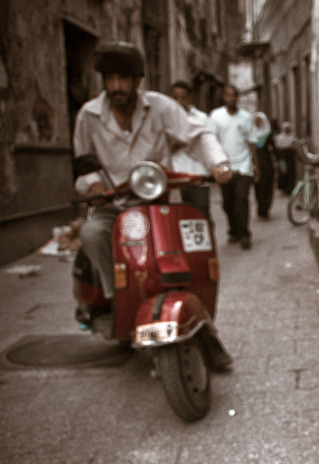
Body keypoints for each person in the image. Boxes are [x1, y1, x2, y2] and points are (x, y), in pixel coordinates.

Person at [73, 41, 233, 302]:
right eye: (110, 79)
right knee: (91, 234)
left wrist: (218, 164)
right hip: (115, 206)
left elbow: (197, 135)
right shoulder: (88, 116)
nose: (115, 87)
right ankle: (115, 295)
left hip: (161, 204)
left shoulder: (161, 107)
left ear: (137, 80)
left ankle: (193, 296)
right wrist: (93, 186)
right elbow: (83, 163)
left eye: (123, 79)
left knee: (197, 238)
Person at [209, 85, 258, 249]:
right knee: (228, 202)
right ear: (224, 97)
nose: (231, 99)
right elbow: (211, 142)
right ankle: (234, 231)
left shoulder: (246, 117)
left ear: (238, 98)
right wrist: (214, 166)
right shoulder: (216, 116)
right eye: (228, 95)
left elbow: (252, 142)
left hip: (244, 165)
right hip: (224, 166)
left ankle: (245, 234)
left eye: (234, 96)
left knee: (242, 200)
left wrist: (256, 165)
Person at [169, 80, 215, 222]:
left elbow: (210, 145)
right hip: (177, 176)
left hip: (199, 175)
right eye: (175, 98)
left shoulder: (201, 118)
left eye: (182, 98)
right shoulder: (166, 119)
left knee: (202, 214)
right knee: (180, 217)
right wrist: (174, 145)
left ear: (189, 98)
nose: (179, 102)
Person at [250, 112, 277, 219]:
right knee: (258, 188)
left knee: (267, 187)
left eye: (260, 121)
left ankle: (265, 209)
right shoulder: (251, 135)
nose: (258, 123)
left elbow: (274, 150)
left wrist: (279, 163)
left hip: (267, 165)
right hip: (256, 166)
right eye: (256, 121)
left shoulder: (267, 135)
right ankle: (260, 208)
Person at [274, 121, 298, 195]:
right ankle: (283, 189)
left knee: (291, 173)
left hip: (290, 158)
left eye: (288, 128)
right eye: (286, 129)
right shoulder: (279, 138)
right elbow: (277, 148)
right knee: (283, 172)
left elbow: (296, 147)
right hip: (282, 157)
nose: (287, 130)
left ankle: (290, 189)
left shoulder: (293, 137)